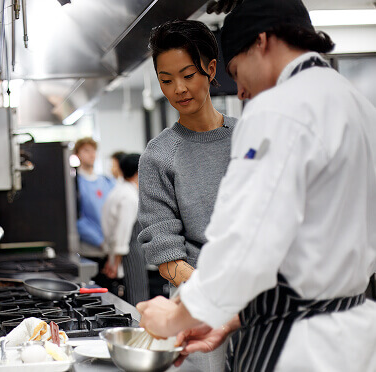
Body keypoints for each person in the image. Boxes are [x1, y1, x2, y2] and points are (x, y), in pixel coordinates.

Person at [136, 1, 376, 371]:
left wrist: (176, 318)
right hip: (354, 332)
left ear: (261, 42)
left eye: (236, 70)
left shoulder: (277, 109)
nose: (242, 92)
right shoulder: (356, 103)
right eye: (166, 80)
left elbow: (245, 242)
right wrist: (232, 319)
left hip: (296, 343)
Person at [137, 19, 238, 371]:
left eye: (188, 74)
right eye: (166, 80)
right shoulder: (159, 155)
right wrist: (214, 296)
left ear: (211, 69)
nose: (178, 88)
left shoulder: (249, 138)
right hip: (194, 301)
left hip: (257, 295)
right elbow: (167, 255)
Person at [101, 154, 149, 305]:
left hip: (121, 252)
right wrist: (115, 263)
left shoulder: (118, 191)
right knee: (136, 299)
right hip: (130, 254)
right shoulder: (129, 196)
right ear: (137, 172)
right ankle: (139, 328)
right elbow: (122, 233)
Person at [73, 137, 116, 286]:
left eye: (93, 151)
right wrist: (99, 241)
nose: (91, 154)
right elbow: (76, 218)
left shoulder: (107, 182)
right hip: (89, 251)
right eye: (86, 150)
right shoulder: (75, 183)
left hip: (110, 251)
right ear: (77, 154)